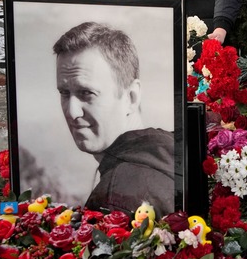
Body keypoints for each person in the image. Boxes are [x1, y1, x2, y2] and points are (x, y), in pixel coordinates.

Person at [53, 21, 175, 216]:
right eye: (64, 93)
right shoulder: (169, 152)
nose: (72, 112)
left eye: (86, 93)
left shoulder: (116, 198)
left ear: (131, 96)